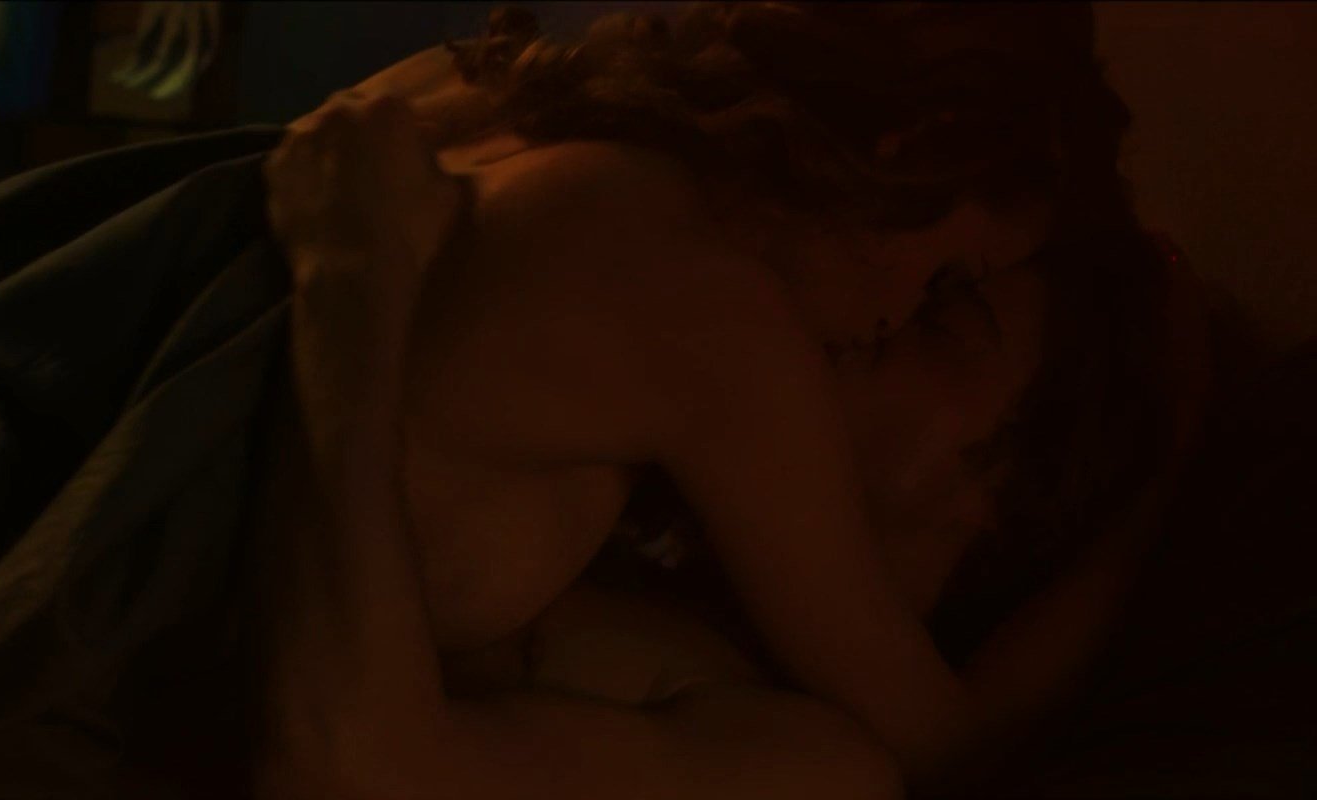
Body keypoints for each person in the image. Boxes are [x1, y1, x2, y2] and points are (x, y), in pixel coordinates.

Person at [251, 4, 1206, 798]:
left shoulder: (499, 99)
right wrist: (1161, 492)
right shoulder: (722, 325)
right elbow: (952, 753)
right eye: (942, 283)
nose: (896, 320)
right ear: (907, 148)